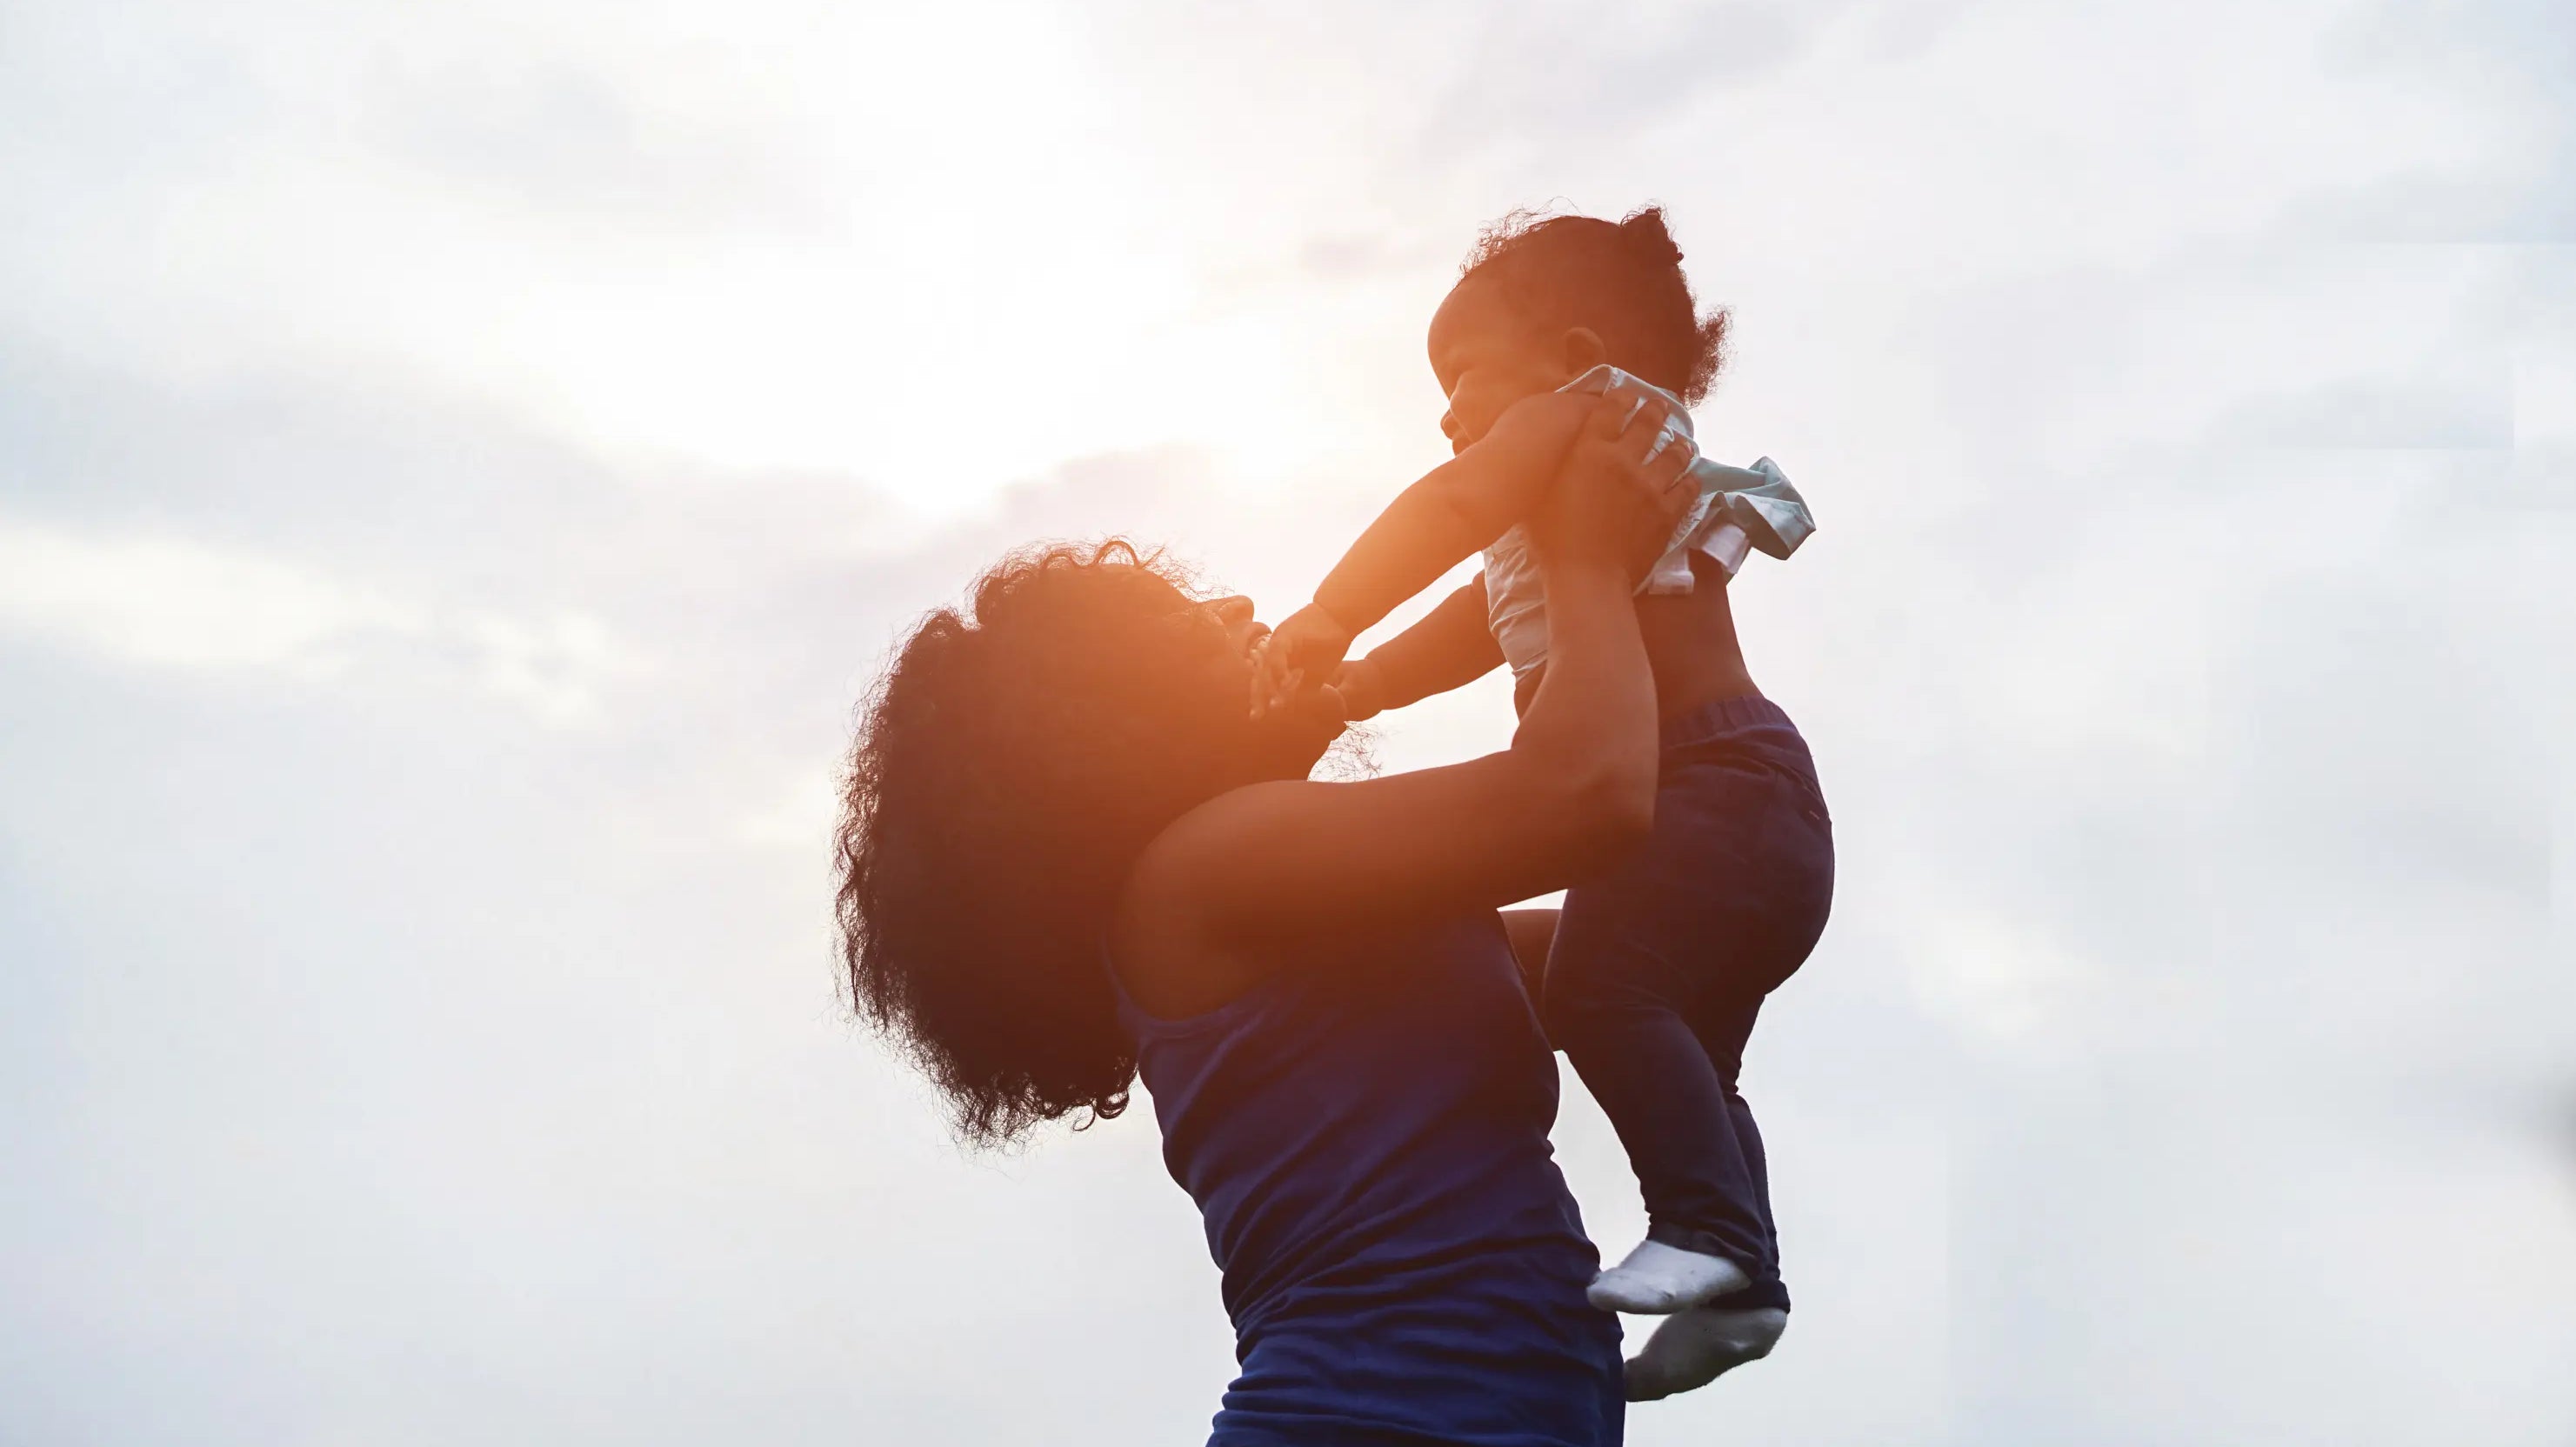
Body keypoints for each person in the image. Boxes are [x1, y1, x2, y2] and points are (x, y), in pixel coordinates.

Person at [834, 390, 1694, 1445]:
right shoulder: (1206, 869)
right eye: (1189, 625)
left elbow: (1631, 968)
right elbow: (1588, 795)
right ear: (1120, 724)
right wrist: (1585, 560)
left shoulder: (1323, 933)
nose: (1244, 609)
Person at [1253, 206, 1835, 1401]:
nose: (1451, 415)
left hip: (1700, 788)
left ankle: (1708, 1232)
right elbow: (1485, 618)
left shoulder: (1581, 419)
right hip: (1754, 806)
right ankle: (1747, 1286)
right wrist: (1365, 684)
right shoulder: (1604, 469)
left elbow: (1446, 509)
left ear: (1571, 356)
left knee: (1598, 987)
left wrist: (1329, 610)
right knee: (1691, 1058)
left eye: (1463, 375)